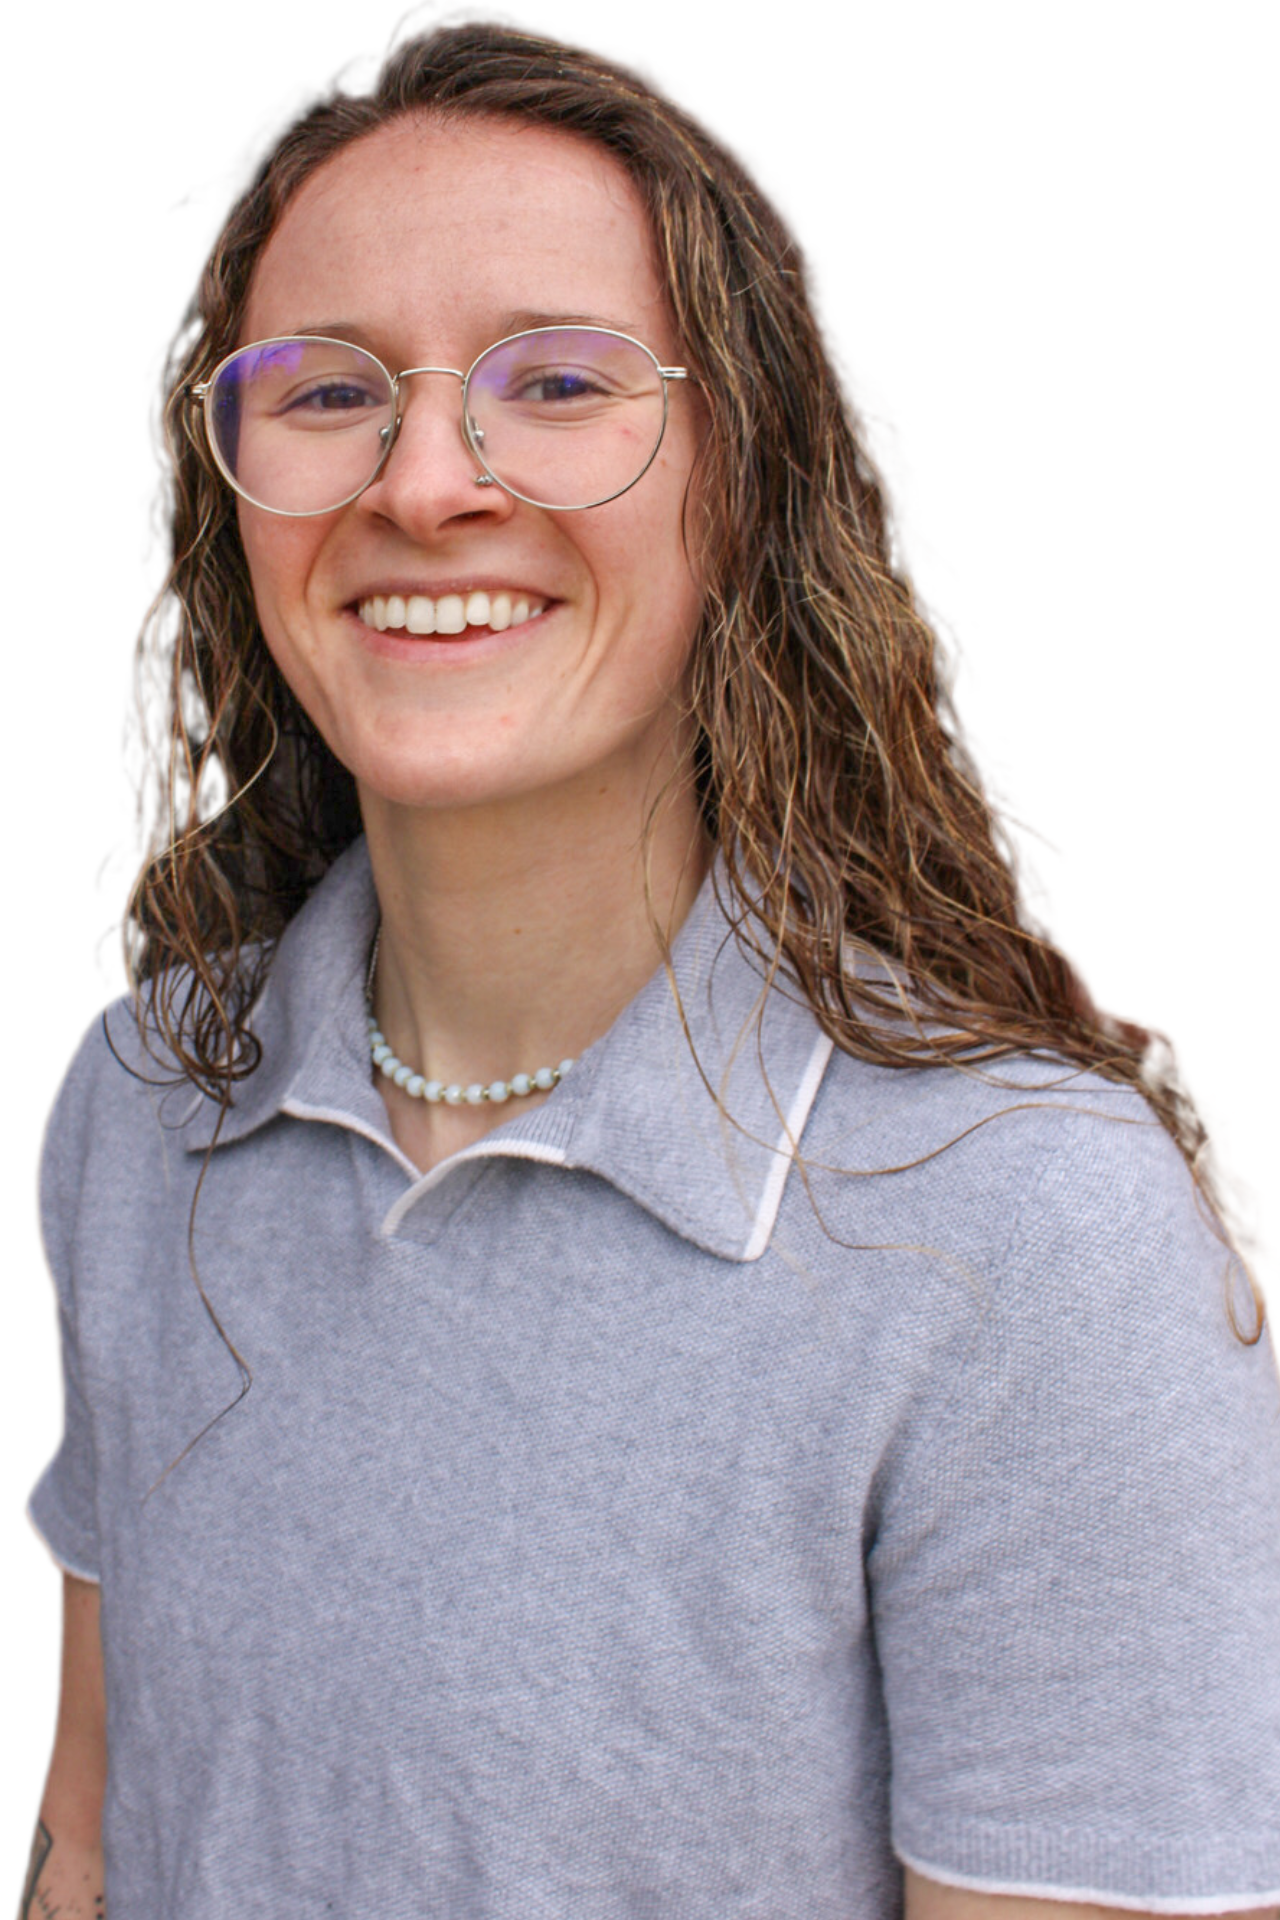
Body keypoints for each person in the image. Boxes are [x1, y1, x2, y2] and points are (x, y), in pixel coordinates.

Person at [20, 22, 1280, 1920]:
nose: (426, 478)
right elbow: (93, 1854)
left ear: (744, 486)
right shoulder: (144, 1107)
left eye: (557, 381)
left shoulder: (1023, 1230)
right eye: (323, 390)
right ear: (235, 494)